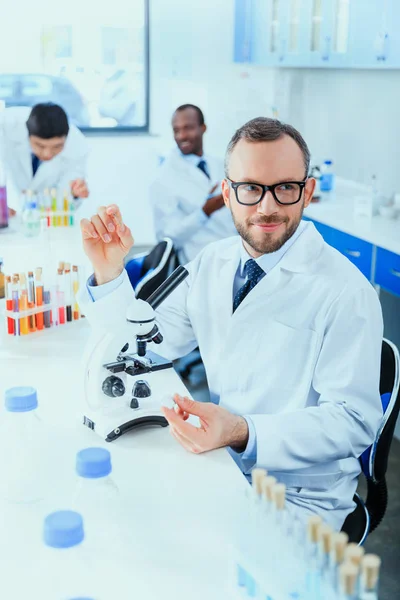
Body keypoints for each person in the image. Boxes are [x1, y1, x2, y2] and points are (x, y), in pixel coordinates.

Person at [79, 117, 383, 530]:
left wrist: (243, 431)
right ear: (226, 192)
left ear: (307, 192)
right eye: (250, 188)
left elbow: (353, 422)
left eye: (286, 188)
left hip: (297, 497)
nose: (267, 206)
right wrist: (110, 273)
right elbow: (144, 347)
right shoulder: (212, 262)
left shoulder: (347, 291)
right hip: (219, 461)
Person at [149, 104, 237, 263]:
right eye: (176, 130)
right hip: (200, 261)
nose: (181, 136)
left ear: (203, 128)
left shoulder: (220, 165)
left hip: (237, 252)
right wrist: (204, 212)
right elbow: (166, 238)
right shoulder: (163, 178)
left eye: (188, 128)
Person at [0, 103, 89, 212]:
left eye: (57, 146)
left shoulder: (77, 146)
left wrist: (74, 193)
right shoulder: (6, 125)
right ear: (28, 134)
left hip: (40, 216)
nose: (47, 154)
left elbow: (65, 198)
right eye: (40, 145)